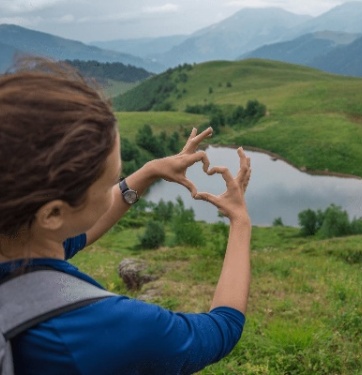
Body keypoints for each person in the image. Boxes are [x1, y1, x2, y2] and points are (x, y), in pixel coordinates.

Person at [0, 58, 252, 374]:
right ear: (52, 214)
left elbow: (68, 239)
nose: (115, 190)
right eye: (109, 183)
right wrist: (240, 220)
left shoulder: (15, 238)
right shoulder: (107, 328)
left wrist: (149, 172)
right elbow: (221, 328)